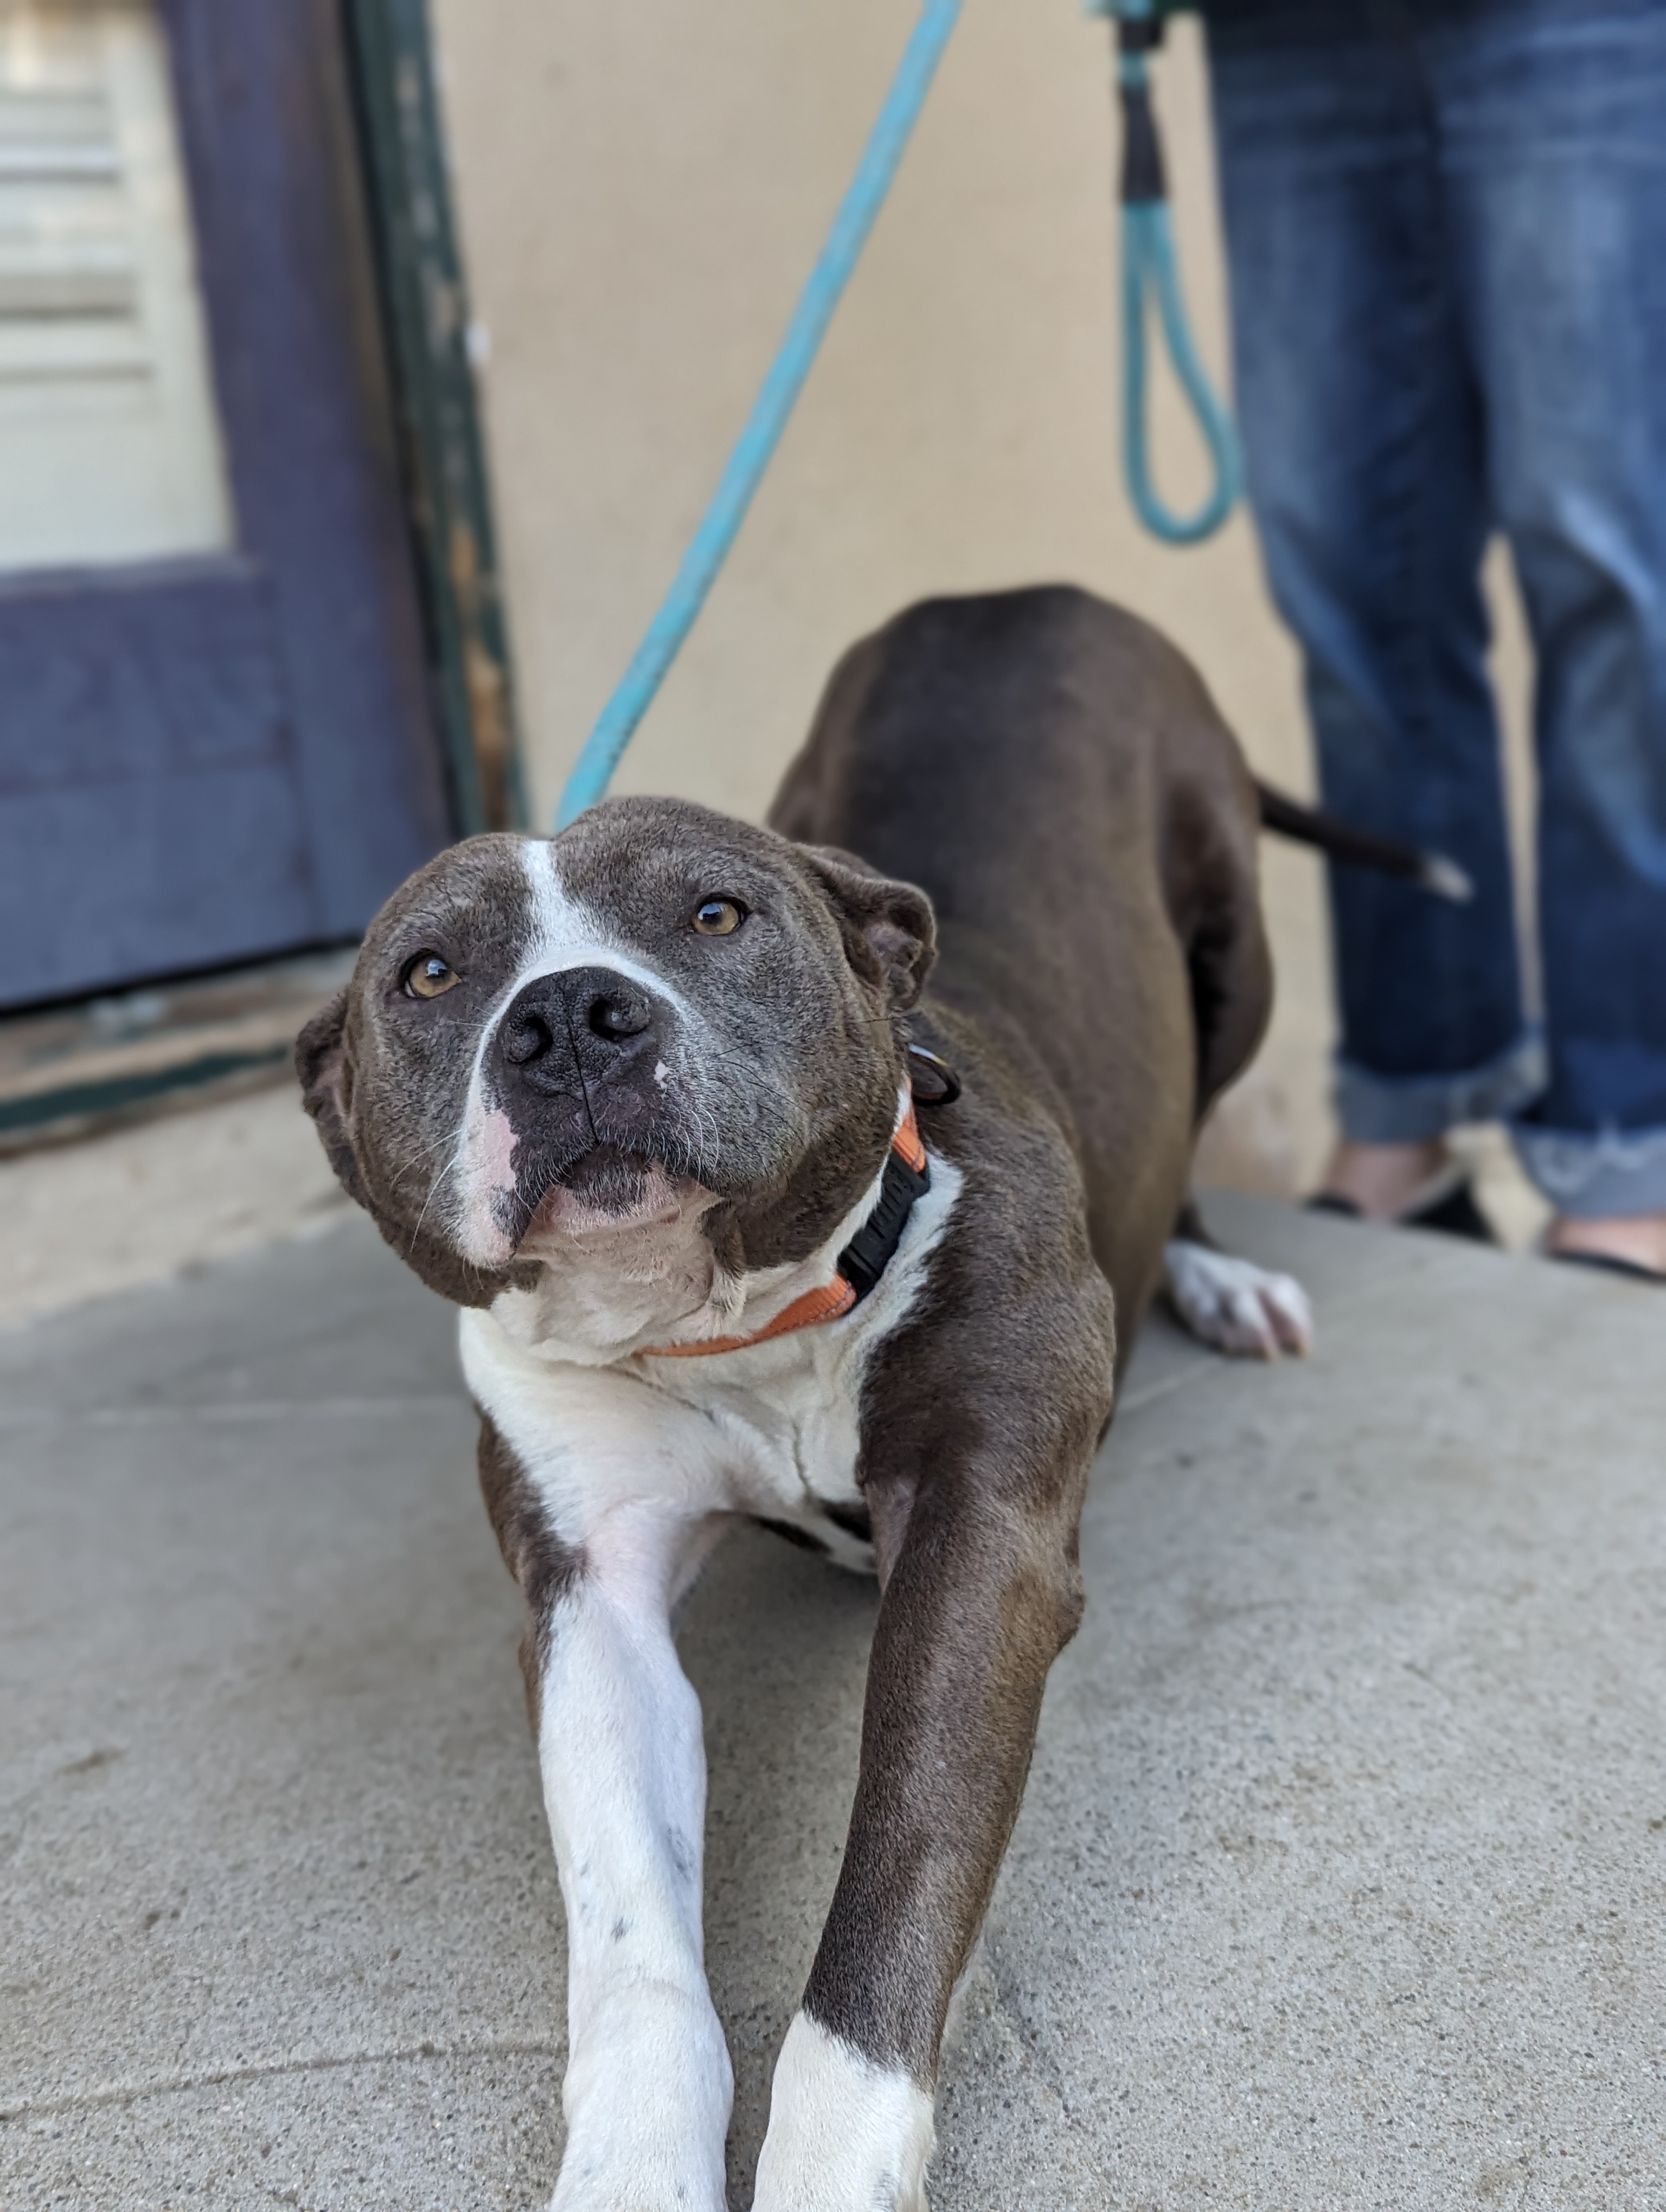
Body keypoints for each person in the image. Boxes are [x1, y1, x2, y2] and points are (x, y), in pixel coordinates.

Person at [1202, 0, 1666, 1278]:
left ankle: (1634, 1142)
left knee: (1610, 570)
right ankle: (1412, 1094)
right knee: (1349, 580)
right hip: (1283, 31)